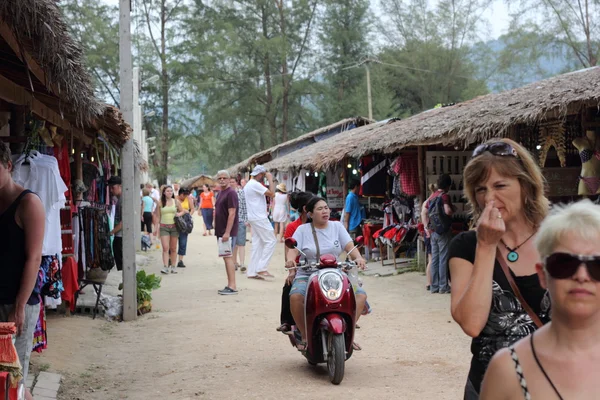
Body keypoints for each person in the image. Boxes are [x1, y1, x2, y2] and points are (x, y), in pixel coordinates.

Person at [448, 139, 550, 398]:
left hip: (554, 385)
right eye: (481, 189)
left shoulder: (560, 238)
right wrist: (486, 245)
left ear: (526, 186)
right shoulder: (465, 246)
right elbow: (471, 323)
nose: (489, 198)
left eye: (500, 185)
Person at [480, 200, 600, 400]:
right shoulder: (508, 370)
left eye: (597, 265)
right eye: (564, 263)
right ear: (542, 274)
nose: (581, 275)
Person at [285, 196, 367, 351]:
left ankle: (348, 335)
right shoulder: (302, 230)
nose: (325, 211)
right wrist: (291, 262)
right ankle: (304, 335)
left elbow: (349, 246)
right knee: (296, 297)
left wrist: (359, 258)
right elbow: (293, 250)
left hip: (335, 273)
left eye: (326, 208)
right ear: (309, 213)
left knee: (360, 295)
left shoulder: (337, 226)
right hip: (308, 273)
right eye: (320, 209)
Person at [0, 141, 45, 396]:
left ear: (8, 166)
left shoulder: (28, 204)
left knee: (14, 377)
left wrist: (19, 308)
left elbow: (34, 258)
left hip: (18, 301)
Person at [276, 191, 314, 333]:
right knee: (288, 287)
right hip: (301, 267)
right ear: (306, 209)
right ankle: (287, 321)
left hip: (320, 266)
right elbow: (289, 252)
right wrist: (292, 270)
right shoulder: (293, 227)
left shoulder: (320, 225)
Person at [421, 174, 454, 294]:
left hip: (432, 231)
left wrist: (426, 228)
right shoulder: (444, 196)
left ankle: (434, 286)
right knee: (443, 258)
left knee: (434, 258)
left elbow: (425, 212)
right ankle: (443, 286)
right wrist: (452, 210)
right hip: (443, 231)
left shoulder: (431, 197)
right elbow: (447, 211)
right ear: (448, 185)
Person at [244, 165, 277, 279]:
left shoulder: (249, 184)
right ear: (259, 174)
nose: (263, 177)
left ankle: (252, 271)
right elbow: (272, 194)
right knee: (271, 240)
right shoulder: (254, 184)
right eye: (263, 175)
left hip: (253, 216)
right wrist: (270, 179)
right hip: (259, 217)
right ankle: (262, 268)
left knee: (257, 244)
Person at [214, 170, 239, 295]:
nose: (222, 180)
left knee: (228, 257)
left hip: (227, 232)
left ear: (229, 179)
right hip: (221, 231)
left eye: (224, 178)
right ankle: (230, 284)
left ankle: (233, 286)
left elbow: (232, 213)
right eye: (220, 178)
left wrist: (227, 232)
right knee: (225, 257)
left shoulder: (231, 193)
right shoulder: (220, 193)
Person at [156, 185, 185, 274]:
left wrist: (179, 214)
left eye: (171, 191)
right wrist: (156, 228)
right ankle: (165, 267)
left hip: (174, 227)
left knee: (173, 248)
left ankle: (173, 266)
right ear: (164, 192)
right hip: (164, 227)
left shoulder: (176, 201)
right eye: (168, 191)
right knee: (165, 248)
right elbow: (158, 216)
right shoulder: (160, 202)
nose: (169, 192)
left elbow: (182, 211)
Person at [230, 178, 248, 273]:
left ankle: (242, 263)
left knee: (241, 243)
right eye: (230, 182)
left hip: (240, 219)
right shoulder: (227, 193)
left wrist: (246, 219)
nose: (232, 183)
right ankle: (234, 262)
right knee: (233, 244)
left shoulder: (241, 192)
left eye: (233, 182)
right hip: (230, 221)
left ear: (236, 183)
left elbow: (245, 206)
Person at [176, 188, 194, 268]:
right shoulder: (175, 199)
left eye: (186, 195)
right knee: (172, 242)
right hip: (175, 221)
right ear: (179, 194)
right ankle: (170, 258)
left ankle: (180, 260)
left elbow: (192, 208)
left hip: (185, 222)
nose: (184, 197)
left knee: (183, 241)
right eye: (183, 195)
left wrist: (189, 215)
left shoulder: (188, 198)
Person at [108, 176, 124, 271]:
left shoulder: (123, 201)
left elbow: (124, 221)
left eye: (113, 187)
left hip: (121, 236)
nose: (111, 190)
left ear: (120, 186)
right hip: (119, 236)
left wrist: (112, 232)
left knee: (123, 264)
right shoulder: (119, 200)